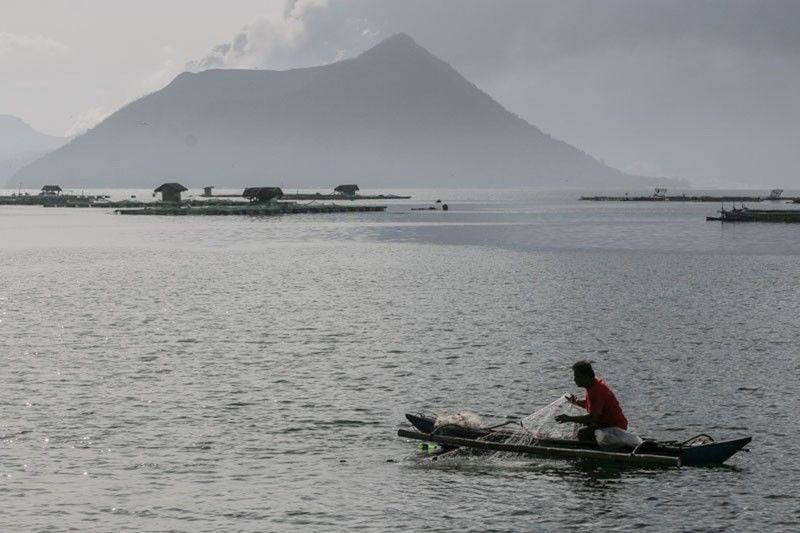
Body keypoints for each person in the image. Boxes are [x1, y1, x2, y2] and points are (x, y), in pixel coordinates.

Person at [555, 360, 628, 441]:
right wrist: (576, 402)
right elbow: (592, 405)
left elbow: (593, 418)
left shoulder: (597, 390)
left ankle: (592, 448)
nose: (575, 380)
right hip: (606, 424)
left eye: (577, 376)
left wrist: (569, 418)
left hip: (616, 427)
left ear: (586, 376)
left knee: (582, 433)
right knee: (581, 424)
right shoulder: (592, 385)